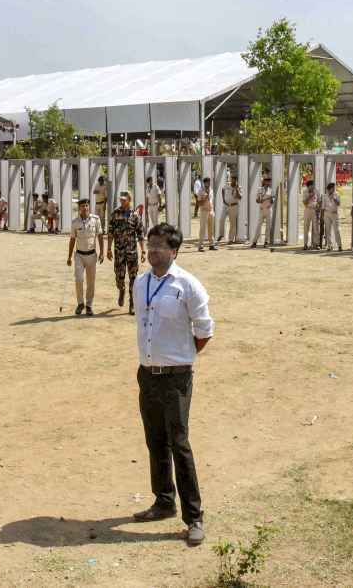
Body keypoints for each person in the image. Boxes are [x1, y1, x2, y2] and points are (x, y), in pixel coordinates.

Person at [132, 223, 213, 547]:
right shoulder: (141, 283)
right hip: (147, 374)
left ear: (174, 250)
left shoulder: (187, 285)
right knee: (155, 441)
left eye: (159, 246)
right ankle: (164, 500)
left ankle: (194, 517)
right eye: (149, 245)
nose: (152, 251)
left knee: (179, 444)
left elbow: (204, 330)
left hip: (176, 376)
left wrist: (182, 357)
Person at [107, 191, 146, 314]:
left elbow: (140, 234)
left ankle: (132, 303)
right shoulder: (115, 214)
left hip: (132, 252)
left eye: (124, 199)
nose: (122, 201)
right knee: (119, 277)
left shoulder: (135, 216)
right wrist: (108, 248)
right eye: (121, 199)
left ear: (129, 200)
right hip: (119, 251)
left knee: (134, 278)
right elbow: (110, 232)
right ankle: (121, 289)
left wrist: (143, 251)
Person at [67, 199, 104, 316]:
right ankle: (80, 303)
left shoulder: (96, 220)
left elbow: (100, 236)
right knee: (79, 279)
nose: (85, 208)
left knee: (91, 281)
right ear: (79, 208)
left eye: (87, 206)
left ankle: (89, 305)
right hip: (79, 255)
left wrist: (102, 252)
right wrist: (69, 257)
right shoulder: (75, 222)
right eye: (83, 206)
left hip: (91, 255)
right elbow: (72, 239)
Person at [250, 176, 273, 248]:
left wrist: (271, 199)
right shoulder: (260, 189)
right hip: (262, 209)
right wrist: (260, 200)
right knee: (258, 226)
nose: (268, 182)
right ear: (264, 181)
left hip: (268, 209)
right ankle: (254, 241)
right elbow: (257, 200)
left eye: (269, 181)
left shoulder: (271, 190)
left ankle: (266, 242)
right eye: (266, 180)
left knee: (268, 226)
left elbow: (273, 201)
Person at [217, 175, 241, 244]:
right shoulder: (227, 185)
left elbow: (240, 197)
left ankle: (230, 239)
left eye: (235, 180)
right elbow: (222, 189)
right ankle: (221, 234)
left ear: (236, 181)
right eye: (232, 179)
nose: (233, 181)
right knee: (221, 219)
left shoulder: (238, 187)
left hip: (234, 206)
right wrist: (223, 199)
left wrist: (236, 189)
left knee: (232, 223)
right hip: (226, 205)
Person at [196, 177, 216, 251]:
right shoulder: (201, 191)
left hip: (211, 210)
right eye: (207, 182)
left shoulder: (211, 190)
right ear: (204, 183)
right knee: (203, 228)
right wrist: (205, 198)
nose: (208, 183)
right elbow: (199, 203)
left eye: (209, 182)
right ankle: (200, 245)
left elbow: (211, 201)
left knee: (211, 228)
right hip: (204, 211)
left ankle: (211, 244)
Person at [322, 183, 343, 252]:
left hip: (334, 213)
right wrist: (322, 216)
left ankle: (339, 245)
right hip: (327, 213)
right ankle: (329, 245)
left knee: (336, 230)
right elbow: (323, 207)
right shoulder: (325, 196)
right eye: (332, 188)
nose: (334, 189)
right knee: (328, 230)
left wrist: (334, 199)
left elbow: (339, 203)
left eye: (334, 188)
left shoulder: (336, 194)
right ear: (329, 189)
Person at [302, 180, 320, 250]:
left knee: (316, 227)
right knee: (306, 227)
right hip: (307, 209)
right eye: (312, 185)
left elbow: (319, 201)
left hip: (314, 210)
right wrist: (309, 196)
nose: (313, 187)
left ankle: (316, 244)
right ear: (308, 186)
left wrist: (318, 208)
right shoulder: (305, 192)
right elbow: (304, 202)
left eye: (313, 185)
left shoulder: (316, 191)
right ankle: (305, 244)